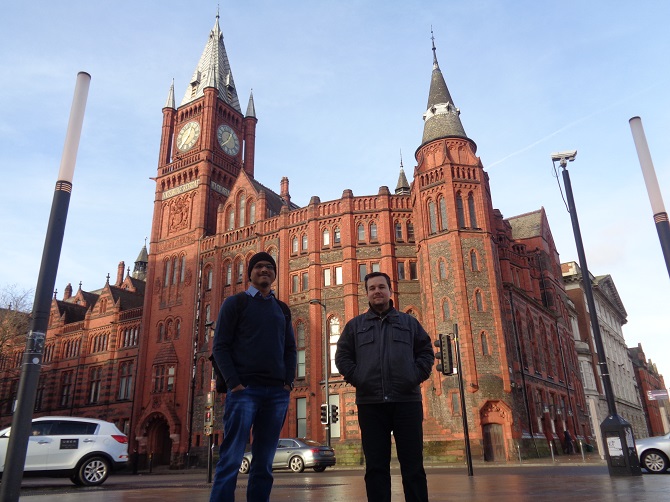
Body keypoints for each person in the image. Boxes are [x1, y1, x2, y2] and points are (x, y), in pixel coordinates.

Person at [335, 272, 434, 502]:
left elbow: (426, 352)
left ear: (390, 291)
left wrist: (414, 376)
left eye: (381, 287)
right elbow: (342, 357)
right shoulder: (355, 326)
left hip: (406, 401)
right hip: (371, 404)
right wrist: (360, 378)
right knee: (376, 469)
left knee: (413, 468)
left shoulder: (409, 322)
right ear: (367, 293)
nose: (377, 291)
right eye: (372, 288)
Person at [209, 251, 297, 502]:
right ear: (250, 273)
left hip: (276, 395)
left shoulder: (282, 309)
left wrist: (288, 383)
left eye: (269, 267)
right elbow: (220, 346)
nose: (264, 270)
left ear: (275, 274)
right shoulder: (235, 303)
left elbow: (290, 348)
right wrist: (235, 383)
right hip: (244, 392)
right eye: (259, 266)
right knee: (231, 459)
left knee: (264, 463)